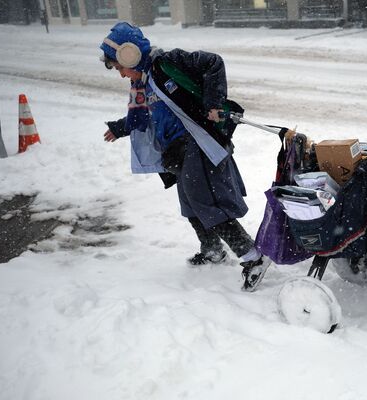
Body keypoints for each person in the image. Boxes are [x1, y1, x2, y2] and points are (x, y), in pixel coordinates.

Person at [100, 22, 270, 291]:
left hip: (196, 142)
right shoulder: (144, 82)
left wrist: (213, 103)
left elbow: (214, 63)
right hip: (175, 151)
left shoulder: (166, 62)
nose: (121, 74)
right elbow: (146, 115)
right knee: (190, 205)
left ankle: (253, 256)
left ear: (129, 55)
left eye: (120, 67)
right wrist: (120, 128)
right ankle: (213, 249)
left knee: (206, 204)